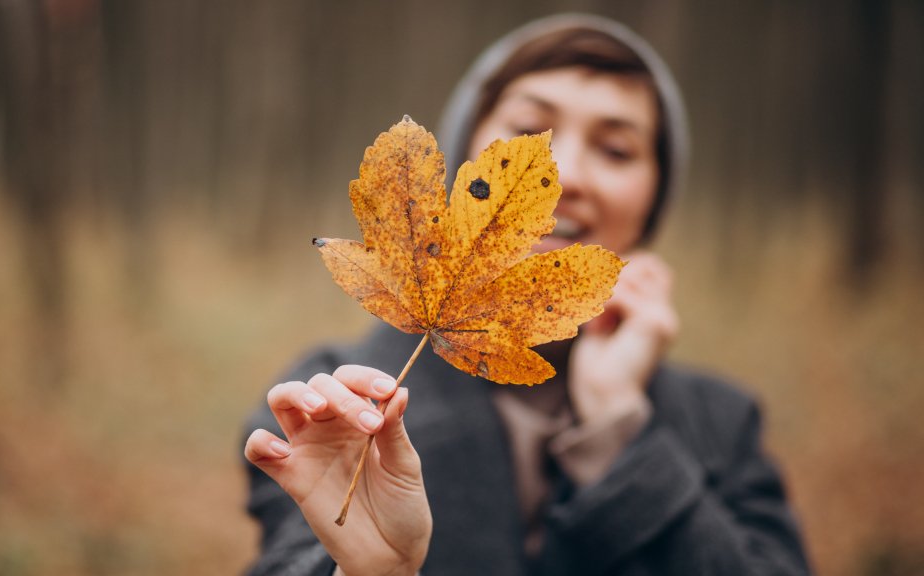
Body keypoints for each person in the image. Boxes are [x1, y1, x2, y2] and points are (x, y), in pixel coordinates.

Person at [242, 13, 811, 576]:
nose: (563, 175)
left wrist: (619, 431)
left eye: (616, 150)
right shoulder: (339, 395)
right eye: (527, 128)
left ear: (653, 202)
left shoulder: (721, 422)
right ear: (466, 153)